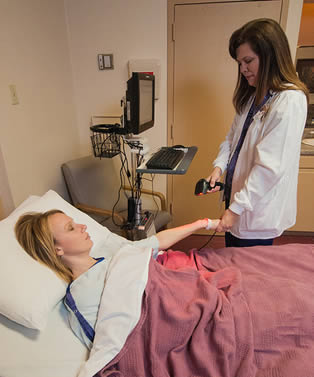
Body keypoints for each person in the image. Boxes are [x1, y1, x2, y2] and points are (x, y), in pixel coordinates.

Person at [14, 209, 219, 348]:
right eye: (70, 228)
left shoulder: (109, 256)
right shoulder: (81, 296)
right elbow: (114, 343)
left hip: (178, 285)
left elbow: (156, 242)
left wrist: (204, 223)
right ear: (56, 248)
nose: (82, 226)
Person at [206, 18, 309, 248]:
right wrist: (218, 168)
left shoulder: (290, 101)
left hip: (255, 211)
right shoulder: (254, 96)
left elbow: (269, 168)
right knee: (235, 261)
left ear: (270, 55)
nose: (242, 69)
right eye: (239, 63)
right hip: (238, 200)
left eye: (248, 61)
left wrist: (235, 210)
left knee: (248, 271)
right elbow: (232, 139)